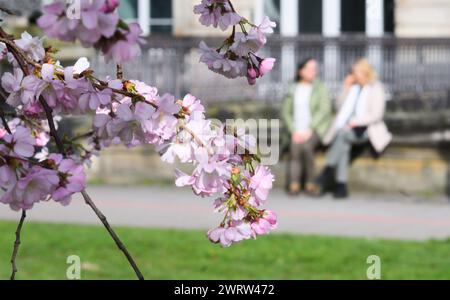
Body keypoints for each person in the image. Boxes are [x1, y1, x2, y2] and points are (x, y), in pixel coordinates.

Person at [319, 58, 393, 199]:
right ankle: (341, 186)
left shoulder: (376, 87)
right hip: (347, 131)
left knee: (343, 135)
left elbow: (377, 115)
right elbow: (339, 108)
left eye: (355, 72)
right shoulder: (353, 88)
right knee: (344, 141)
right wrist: (345, 89)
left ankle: (327, 170)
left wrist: (356, 121)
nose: (353, 75)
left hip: (367, 130)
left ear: (364, 73)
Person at [282, 58, 332, 196]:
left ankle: (311, 182)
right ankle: (294, 183)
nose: (313, 72)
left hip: (315, 129)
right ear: (301, 71)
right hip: (296, 129)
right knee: (295, 147)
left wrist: (310, 129)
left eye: (315, 68)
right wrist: (294, 131)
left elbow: (324, 110)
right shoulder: (292, 87)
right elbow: (286, 111)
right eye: (310, 69)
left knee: (307, 147)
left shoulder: (320, 87)